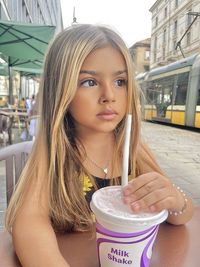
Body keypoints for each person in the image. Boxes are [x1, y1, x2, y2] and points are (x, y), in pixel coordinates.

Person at [5, 24, 194, 267]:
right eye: (89, 82)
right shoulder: (54, 153)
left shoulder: (133, 152)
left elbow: (182, 214)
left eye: (120, 81)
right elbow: (29, 224)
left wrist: (175, 200)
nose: (109, 95)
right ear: (61, 90)